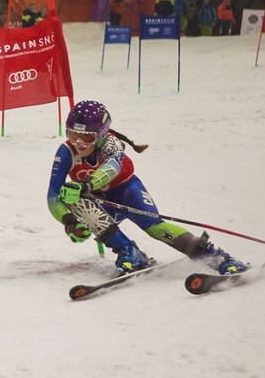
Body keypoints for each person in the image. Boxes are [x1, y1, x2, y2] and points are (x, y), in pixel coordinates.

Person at [47, 100, 247, 275]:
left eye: (87, 137)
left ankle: (216, 257)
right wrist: (68, 221)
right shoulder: (66, 151)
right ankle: (130, 252)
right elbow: (53, 195)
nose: (79, 142)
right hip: (102, 203)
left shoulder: (111, 143)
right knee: (73, 198)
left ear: (101, 134)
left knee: (155, 228)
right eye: (73, 135)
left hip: (126, 191)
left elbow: (112, 167)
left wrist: (87, 184)